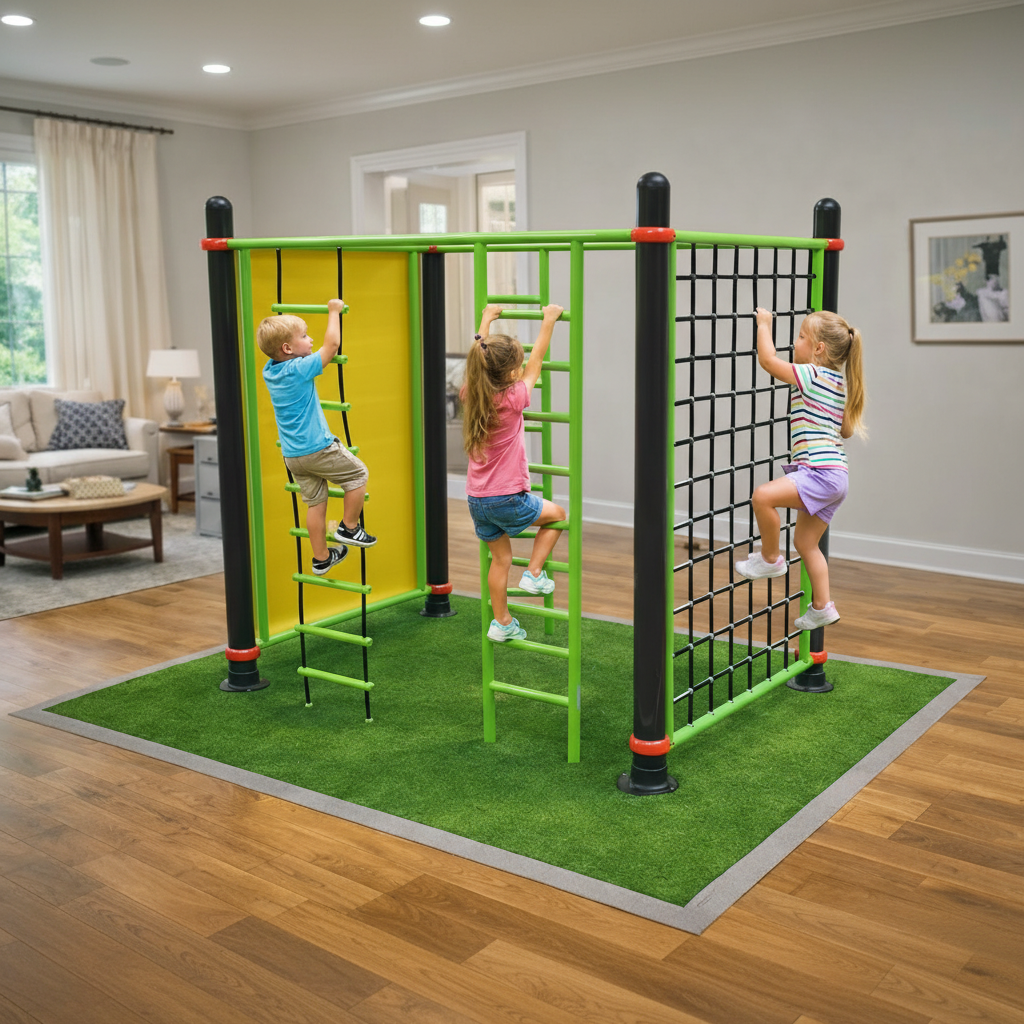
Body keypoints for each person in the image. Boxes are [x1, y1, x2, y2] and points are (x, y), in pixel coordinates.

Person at [735, 308, 866, 630]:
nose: (796, 342)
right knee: (807, 544)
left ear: (818, 349)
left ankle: (770, 559)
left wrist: (764, 325)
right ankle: (822, 607)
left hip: (819, 472)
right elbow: (847, 430)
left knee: (763, 497)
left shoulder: (812, 374)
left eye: (801, 336)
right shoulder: (840, 383)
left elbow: (769, 362)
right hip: (838, 476)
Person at [463, 303, 567, 642]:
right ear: (510, 374)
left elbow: (479, 356)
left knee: (501, 560)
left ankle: (502, 622)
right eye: (516, 366)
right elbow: (536, 361)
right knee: (557, 515)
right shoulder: (514, 397)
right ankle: (534, 573)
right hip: (505, 497)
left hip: (476, 499)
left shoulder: (470, 393)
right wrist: (549, 320)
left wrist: (486, 320)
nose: (522, 368)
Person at [257, 300, 376, 577]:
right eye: (304, 336)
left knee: (315, 503)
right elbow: (331, 347)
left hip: (293, 456)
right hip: (317, 448)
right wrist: (333, 311)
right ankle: (349, 527)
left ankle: (321, 558)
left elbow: (298, 350)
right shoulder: (298, 369)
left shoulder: (270, 371)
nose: (310, 340)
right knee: (358, 474)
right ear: (287, 349)